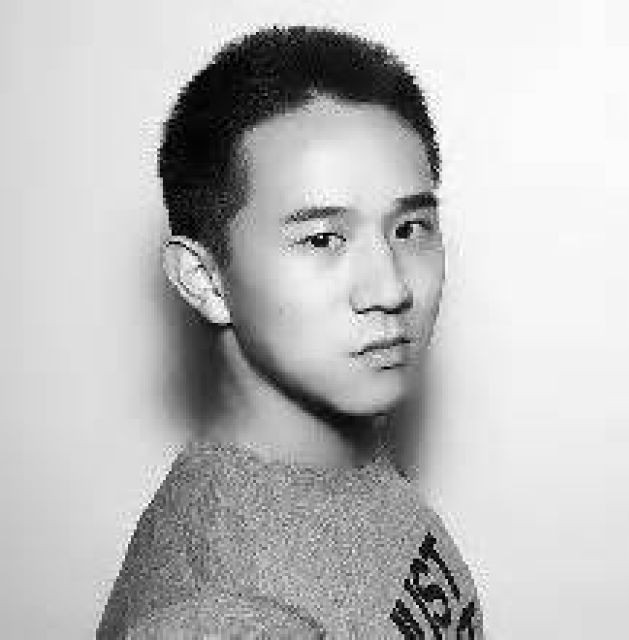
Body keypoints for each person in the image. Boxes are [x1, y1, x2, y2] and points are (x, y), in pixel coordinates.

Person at [98, 25, 484, 639]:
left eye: (409, 228)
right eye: (323, 239)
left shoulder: (333, 453)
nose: (390, 289)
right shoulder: (222, 611)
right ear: (205, 280)